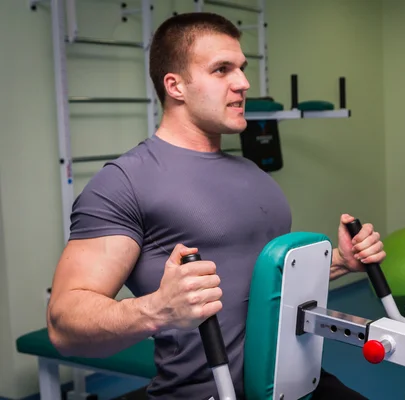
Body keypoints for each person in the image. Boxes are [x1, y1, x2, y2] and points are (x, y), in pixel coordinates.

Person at [46, 12, 386, 400]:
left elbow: (262, 290)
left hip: (295, 384)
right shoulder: (125, 182)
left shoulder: (254, 175)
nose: (243, 83)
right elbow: (63, 324)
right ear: (175, 86)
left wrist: (342, 262)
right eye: (222, 70)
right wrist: (158, 309)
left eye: (241, 68)